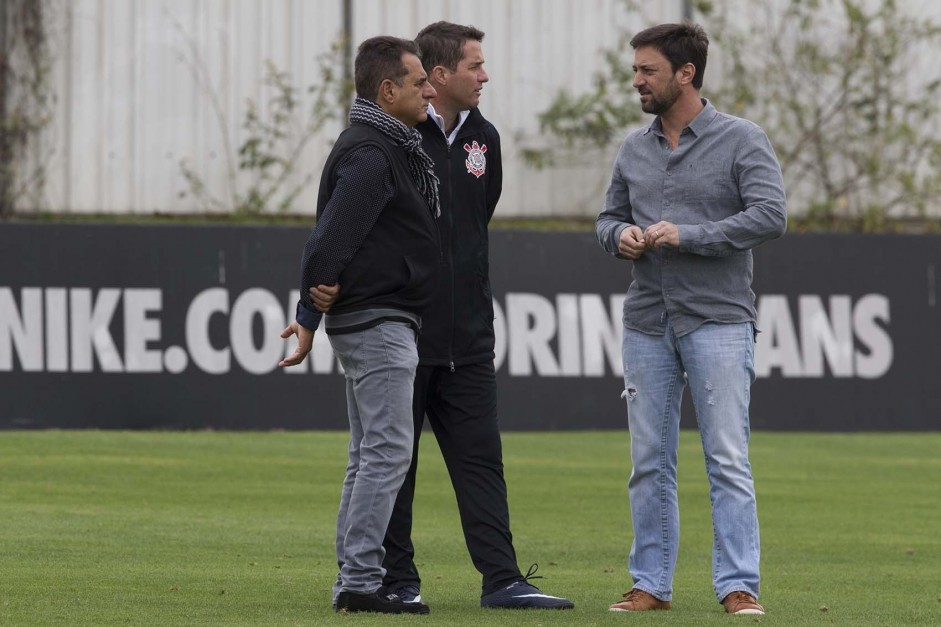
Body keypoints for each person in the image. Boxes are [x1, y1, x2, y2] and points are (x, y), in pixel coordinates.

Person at [310, 21, 573, 611]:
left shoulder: (486, 140)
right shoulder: (397, 138)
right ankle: (396, 579)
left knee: (481, 458)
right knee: (392, 460)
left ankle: (502, 578)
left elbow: (477, 222)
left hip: (471, 334)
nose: (485, 76)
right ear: (438, 73)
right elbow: (348, 229)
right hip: (404, 325)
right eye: (475, 65)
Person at [595, 23, 787, 616]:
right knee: (648, 461)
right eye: (635, 71)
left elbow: (771, 216)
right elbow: (606, 219)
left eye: (647, 70)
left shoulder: (742, 140)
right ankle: (651, 584)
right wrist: (619, 236)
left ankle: (738, 585)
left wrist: (690, 236)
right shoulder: (633, 147)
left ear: (686, 73)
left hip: (719, 321)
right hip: (647, 320)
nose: (637, 82)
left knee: (727, 458)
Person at [278, 35, 440, 615]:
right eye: (419, 80)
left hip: (374, 315)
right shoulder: (373, 152)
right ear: (387, 89)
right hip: (378, 320)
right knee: (388, 450)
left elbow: (343, 239)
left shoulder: (385, 143)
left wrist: (314, 310)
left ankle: (354, 577)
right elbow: (327, 241)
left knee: (369, 450)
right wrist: (309, 307)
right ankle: (361, 582)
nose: (429, 88)